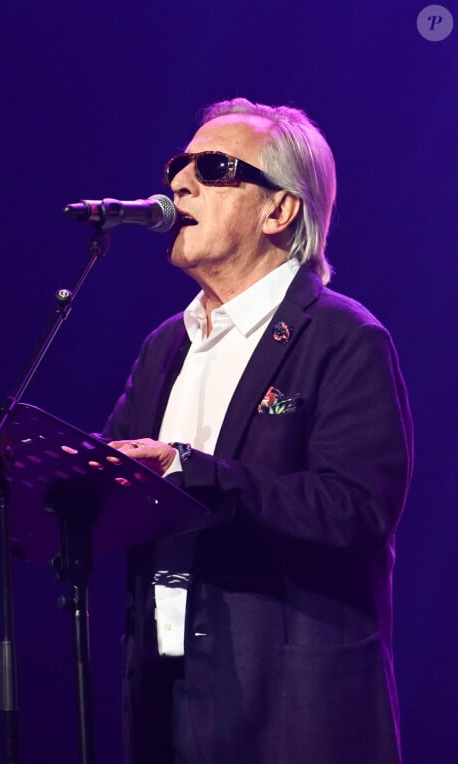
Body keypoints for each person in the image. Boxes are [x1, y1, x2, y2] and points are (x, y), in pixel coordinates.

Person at [100, 98, 413, 764]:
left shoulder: (342, 336)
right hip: (167, 682)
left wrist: (192, 471)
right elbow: (118, 483)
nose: (179, 183)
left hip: (291, 705)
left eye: (213, 168)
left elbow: (357, 509)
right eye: (178, 166)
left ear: (280, 210)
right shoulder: (166, 346)